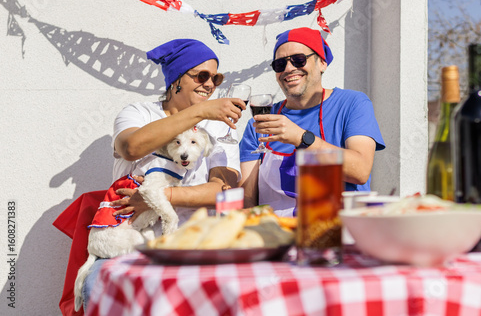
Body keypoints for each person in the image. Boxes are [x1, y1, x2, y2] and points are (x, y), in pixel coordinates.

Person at [79, 38, 244, 312]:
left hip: (192, 244)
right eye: (202, 75)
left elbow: (224, 191)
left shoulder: (219, 126)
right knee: (96, 284)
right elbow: (131, 148)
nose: (210, 84)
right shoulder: (138, 113)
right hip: (129, 244)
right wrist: (199, 112)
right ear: (176, 79)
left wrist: (161, 196)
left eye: (216, 77)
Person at [239, 27, 385, 216]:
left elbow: (360, 170)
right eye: (280, 64)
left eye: (299, 60)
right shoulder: (260, 123)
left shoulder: (352, 104)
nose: (289, 68)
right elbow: (247, 198)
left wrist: (302, 138)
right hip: (276, 234)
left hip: (340, 232)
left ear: (322, 62)